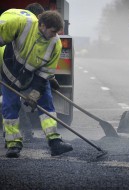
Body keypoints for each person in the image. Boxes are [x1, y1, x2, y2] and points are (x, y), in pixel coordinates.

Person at [0, 7, 73, 158]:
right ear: (42, 25)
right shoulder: (21, 23)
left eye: (57, 33)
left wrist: (35, 93)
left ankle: (55, 142)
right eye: (53, 32)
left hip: (34, 74)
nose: (55, 36)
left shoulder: (56, 44)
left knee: (46, 102)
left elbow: (45, 73)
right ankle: (13, 144)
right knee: (10, 105)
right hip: (9, 69)